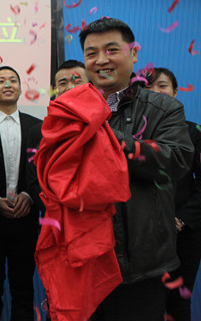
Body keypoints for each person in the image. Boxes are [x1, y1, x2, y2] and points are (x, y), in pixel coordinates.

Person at [76, 18, 193, 320]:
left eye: (111, 50)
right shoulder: (71, 110)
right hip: (85, 262)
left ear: (134, 53)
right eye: (91, 53)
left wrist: (108, 139)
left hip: (143, 266)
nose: (101, 60)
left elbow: (176, 160)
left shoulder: (164, 108)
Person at [0, 66, 41, 321]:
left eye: (13, 80)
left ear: (20, 88)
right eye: (1, 81)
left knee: (23, 289)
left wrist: (29, 195)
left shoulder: (37, 126)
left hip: (25, 219)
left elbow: (43, 171)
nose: (7, 85)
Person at [145, 67, 201, 321]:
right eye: (148, 87)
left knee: (178, 304)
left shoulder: (194, 132)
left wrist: (181, 218)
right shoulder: (133, 136)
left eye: (162, 86)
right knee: (146, 304)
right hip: (144, 234)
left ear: (176, 92)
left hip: (184, 233)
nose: (155, 92)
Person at [26, 60, 90, 214]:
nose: (70, 87)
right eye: (63, 83)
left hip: (95, 213)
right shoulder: (39, 132)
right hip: (56, 216)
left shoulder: (105, 123)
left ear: (90, 86)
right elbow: (34, 181)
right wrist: (56, 210)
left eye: (77, 81)